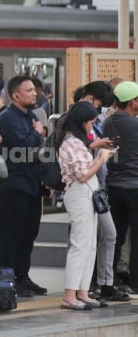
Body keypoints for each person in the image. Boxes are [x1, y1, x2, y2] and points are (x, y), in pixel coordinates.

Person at [57, 101, 115, 310]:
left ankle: (82, 292)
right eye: (91, 122)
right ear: (82, 122)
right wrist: (102, 158)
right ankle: (69, 295)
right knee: (80, 245)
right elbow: (83, 175)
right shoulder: (71, 142)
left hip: (86, 195)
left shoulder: (77, 141)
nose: (93, 125)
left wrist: (95, 148)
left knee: (90, 246)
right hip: (79, 194)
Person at [0, 75, 48, 297]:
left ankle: (22, 277)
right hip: (14, 186)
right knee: (10, 235)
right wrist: (37, 132)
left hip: (32, 185)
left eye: (34, 90)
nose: (34, 93)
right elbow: (24, 148)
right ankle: (7, 280)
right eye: (29, 90)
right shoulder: (7, 118)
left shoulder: (30, 116)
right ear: (16, 95)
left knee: (29, 234)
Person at [103, 81, 138, 297]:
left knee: (116, 236)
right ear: (133, 102)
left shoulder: (108, 123)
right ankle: (135, 281)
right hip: (135, 186)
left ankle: (111, 277)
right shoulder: (135, 124)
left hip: (114, 187)